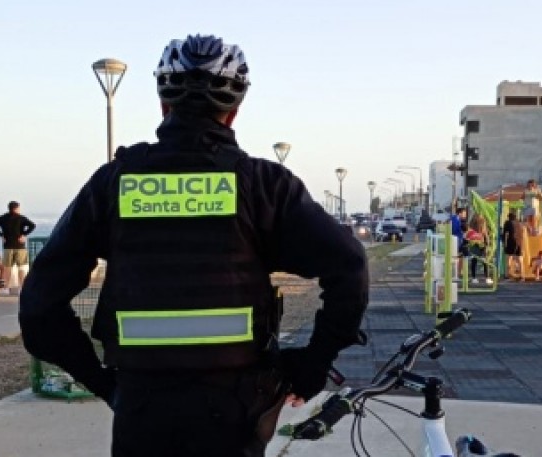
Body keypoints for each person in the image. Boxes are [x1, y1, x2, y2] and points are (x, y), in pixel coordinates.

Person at [19, 34, 368, 457]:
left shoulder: (113, 185)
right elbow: (349, 266)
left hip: (141, 406)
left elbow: (39, 308)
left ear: (164, 104)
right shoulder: (265, 186)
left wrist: (102, 383)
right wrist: (313, 365)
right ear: (234, 111)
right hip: (236, 407)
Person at [0, 201, 36, 294]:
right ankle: (22, 288)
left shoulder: (3, 218)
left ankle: (5, 288)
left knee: (7, 268)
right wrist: (24, 235)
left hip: (8, 246)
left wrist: (1, 235)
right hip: (20, 246)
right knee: (22, 268)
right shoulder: (21, 218)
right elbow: (32, 225)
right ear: (17, 208)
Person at [465, 214, 493, 285]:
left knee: (474, 262)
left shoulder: (471, 226)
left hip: (473, 245)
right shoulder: (482, 224)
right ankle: (487, 278)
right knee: (485, 262)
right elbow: (485, 235)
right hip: (482, 245)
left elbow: (467, 237)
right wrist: (488, 244)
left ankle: (474, 278)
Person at [501, 213, 523, 280]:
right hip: (519, 242)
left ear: (509, 217)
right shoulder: (519, 223)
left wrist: (504, 243)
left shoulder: (507, 223)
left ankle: (507, 274)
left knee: (509, 257)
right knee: (519, 259)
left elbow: (505, 233)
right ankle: (521, 275)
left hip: (511, 241)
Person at [450, 206, 467, 277]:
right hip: (456, 241)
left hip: (459, 241)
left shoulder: (458, 219)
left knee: (460, 257)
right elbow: (454, 230)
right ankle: (456, 273)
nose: (465, 215)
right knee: (457, 257)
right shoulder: (455, 220)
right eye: (464, 213)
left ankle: (459, 272)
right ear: (460, 213)